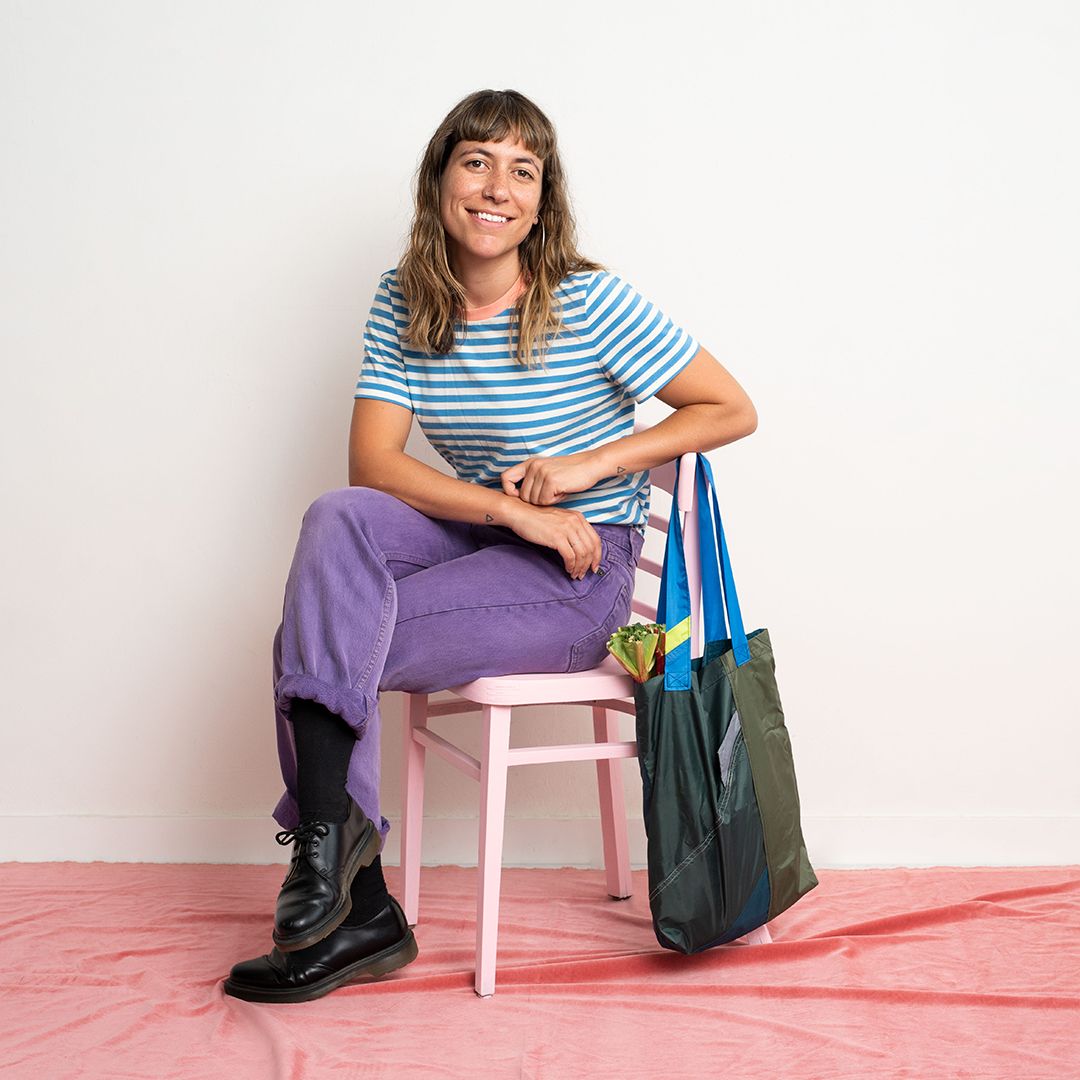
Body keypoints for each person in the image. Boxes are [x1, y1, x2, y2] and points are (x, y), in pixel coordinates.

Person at [223, 88, 757, 1003]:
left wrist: (589, 465)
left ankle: (350, 898)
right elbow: (375, 461)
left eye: (523, 170)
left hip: (582, 571)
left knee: (311, 644)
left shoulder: (590, 302)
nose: (496, 186)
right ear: (440, 181)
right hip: (486, 536)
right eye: (476, 161)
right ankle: (350, 884)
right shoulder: (405, 299)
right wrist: (510, 511)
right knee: (337, 517)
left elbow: (732, 408)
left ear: (542, 203)